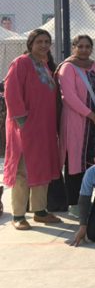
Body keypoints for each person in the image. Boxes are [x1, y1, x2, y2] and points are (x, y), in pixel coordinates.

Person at [4, 29, 62, 230]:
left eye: (47, 41)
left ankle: (40, 211)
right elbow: (11, 92)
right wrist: (23, 123)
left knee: (42, 167)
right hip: (25, 127)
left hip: (44, 128)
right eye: (39, 41)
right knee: (22, 171)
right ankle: (18, 215)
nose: (44, 45)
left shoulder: (45, 66)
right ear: (31, 44)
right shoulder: (21, 63)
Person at [57, 35, 95, 214]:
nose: (84, 50)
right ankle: (75, 204)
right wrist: (90, 115)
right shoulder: (67, 67)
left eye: (88, 46)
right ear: (73, 47)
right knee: (75, 162)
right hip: (76, 122)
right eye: (80, 46)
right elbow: (69, 96)